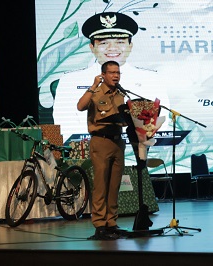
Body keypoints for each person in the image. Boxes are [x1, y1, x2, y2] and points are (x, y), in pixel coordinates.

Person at [53, 11, 169, 143]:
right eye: (103, 43)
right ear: (92, 47)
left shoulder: (152, 79)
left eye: (120, 42)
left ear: (130, 46)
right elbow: (64, 125)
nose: (112, 48)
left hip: (140, 145)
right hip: (92, 147)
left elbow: (162, 123)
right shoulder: (70, 80)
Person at [77, 60, 126, 240]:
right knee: (101, 186)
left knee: (114, 186)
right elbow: (80, 106)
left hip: (118, 142)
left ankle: (111, 223)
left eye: (118, 73)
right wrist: (93, 86)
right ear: (103, 75)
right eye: (112, 72)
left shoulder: (121, 94)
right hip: (101, 142)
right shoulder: (95, 93)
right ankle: (99, 225)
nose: (115, 76)